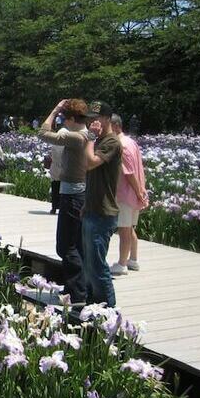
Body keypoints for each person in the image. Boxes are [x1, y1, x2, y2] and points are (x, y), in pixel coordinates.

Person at [38, 99, 91, 305]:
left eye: (63, 118)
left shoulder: (76, 138)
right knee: (76, 244)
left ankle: (77, 295)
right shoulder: (89, 135)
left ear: (70, 119)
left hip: (72, 195)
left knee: (65, 246)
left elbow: (43, 134)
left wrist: (54, 110)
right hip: (81, 193)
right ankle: (77, 289)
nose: (61, 120)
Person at [82, 100, 123, 307]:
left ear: (107, 119)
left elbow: (90, 163)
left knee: (98, 265)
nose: (92, 122)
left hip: (103, 212)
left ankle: (109, 310)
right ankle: (93, 305)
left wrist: (90, 137)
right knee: (88, 264)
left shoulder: (111, 142)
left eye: (97, 118)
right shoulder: (97, 140)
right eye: (90, 118)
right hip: (90, 209)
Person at [110, 114, 148, 275]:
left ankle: (122, 263)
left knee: (124, 229)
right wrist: (141, 191)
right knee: (130, 227)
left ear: (116, 126)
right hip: (133, 193)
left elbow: (129, 172)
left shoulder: (121, 145)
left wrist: (139, 191)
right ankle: (133, 260)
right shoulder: (131, 142)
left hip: (126, 193)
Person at [47, 143, 64, 214]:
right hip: (63, 170)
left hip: (54, 169)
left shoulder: (54, 145)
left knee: (54, 190)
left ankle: (54, 208)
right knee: (62, 192)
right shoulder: (66, 145)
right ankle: (61, 208)